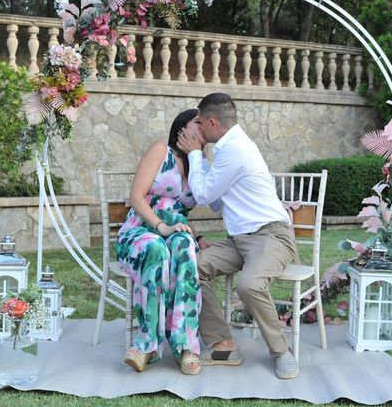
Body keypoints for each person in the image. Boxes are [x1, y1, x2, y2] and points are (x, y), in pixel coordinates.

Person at [177, 92, 300, 380]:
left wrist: (195, 154)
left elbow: (205, 194)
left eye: (199, 124)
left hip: (272, 236)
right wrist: (204, 162)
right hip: (240, 240)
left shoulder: (236, 150)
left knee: (249, 284)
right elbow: (217, 202)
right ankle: (224, 345)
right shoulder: (224, 149)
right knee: (193, 267)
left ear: (211, 123)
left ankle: (282, 352)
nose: (197, 131)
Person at [117, 108, 205, 375]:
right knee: (157, 249)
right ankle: (147, 345)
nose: (203, 129)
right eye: (197, 123)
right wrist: (160, 226)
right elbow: (136, 197)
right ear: (181, 128)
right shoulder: (160, 151)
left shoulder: (199, 165)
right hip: (141, 229)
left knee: (184, 247)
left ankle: (185, 344)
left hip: (174, 231)